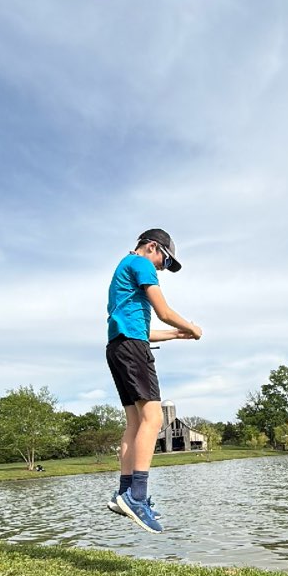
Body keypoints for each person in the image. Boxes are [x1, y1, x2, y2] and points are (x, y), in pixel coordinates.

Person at [105, 228, 202, 533]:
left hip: (119, 347)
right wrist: (192, 327)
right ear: (152, 247)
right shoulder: (142, 264)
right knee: (153, 418)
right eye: (164, 260)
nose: (162, 267)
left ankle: (124, 492)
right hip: (133, 349)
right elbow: (163, 311)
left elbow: (144, 329)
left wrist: (175, 334)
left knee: (134, 422)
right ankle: (137, 496)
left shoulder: (122, 271)